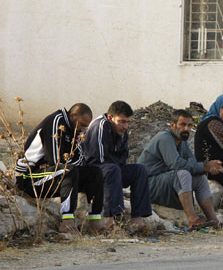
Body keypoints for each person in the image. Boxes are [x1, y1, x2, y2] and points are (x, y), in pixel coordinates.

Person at [15, 103, 104, 234]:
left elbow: (81, 160)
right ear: (73, 116)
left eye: (86, 126)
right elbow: (56, 161)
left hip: (53, 174)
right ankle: (67, 220)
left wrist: (67, 161)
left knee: (95, 172)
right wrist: (63, 163)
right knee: (68, 170)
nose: (84, 129)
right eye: (83, 124)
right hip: (30, 178)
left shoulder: (76, 130)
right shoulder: (55, 122)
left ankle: (95, 222)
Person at [138, 109, 223, 230]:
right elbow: (176, 164)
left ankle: (214, 221)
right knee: (183, 173)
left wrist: (208, 166)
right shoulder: (164, 138)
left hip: (165, 181)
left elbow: (192, 162)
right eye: (183, 125)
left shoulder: (181, 141)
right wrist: (205, 166)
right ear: (172, 125)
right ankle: (193, 220)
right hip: (149, 185)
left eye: (189, 125)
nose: (187, 129)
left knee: (200, 178)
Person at [83, 100, 152, 232]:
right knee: (112, 169)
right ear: (110, 118)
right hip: (94, 171)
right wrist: (116, 163)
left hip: (112, 169)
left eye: (127, 122)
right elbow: (99, 158)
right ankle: (110, 220)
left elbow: (123, 157)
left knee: (139, 170)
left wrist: (117, 163)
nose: (125, 126)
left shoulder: (122, 131)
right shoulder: (100, 126)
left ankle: (137, 221)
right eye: (121, 121)